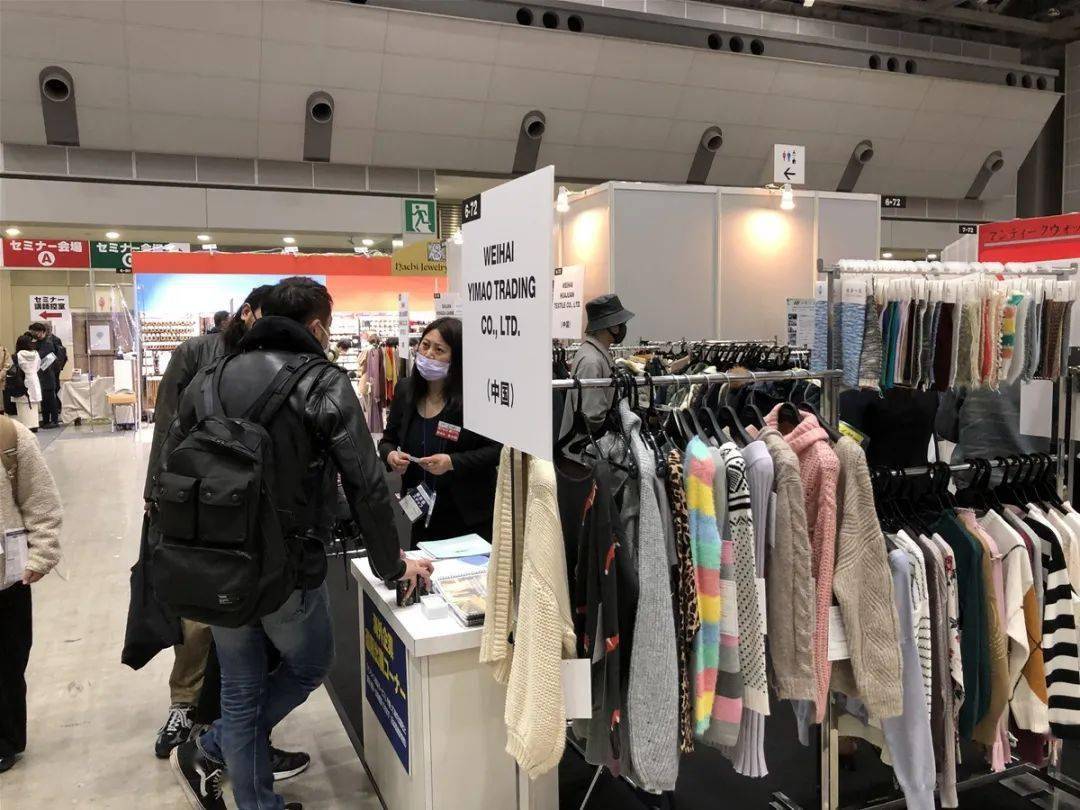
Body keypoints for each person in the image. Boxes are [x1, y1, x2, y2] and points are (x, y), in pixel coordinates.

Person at [167, 276, 431, 810]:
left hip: (214, 560)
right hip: (286, 564)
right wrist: (391, 564)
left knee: (241, 687)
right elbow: (366, 483)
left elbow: (172, 465)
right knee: (311, 663)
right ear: (316, 326)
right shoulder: (322, 381)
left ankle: (233, 768)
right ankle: (218, 745)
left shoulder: (210, 379)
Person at [139, 286, 282, 761]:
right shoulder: (195, 352)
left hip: (257, 508)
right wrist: (156, 491)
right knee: (198, 613)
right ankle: (185, 706)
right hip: (199, 503)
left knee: (255, 620)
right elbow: (167, 425)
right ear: (247, 313)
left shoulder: (278, 361)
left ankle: (245, 732)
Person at [380, 317, 501, 547]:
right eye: (425, 345)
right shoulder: (405, 390)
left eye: (439, 350)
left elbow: (497, 450)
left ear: (457, 358)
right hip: (421, 510)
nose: (429, 354)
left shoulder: (474, 396)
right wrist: (391, 455)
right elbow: (387, 440)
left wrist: (452, 462)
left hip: (467, 514)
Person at [0, 414, 64, 773]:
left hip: (6, 579)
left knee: (7, 663)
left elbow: (41, 501)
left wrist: (42, 553)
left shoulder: (9, 436)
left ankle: (4, 738)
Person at [558, 293, 635, 440]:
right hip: (587, 447)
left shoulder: (595, 354)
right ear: (613, 326)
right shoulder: (592, 361)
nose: (623, 327)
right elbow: (592, 417)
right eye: (621, 323)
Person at [27, 323, 64, 430]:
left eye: (35, 331)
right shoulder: (38, 342)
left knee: (51, 399)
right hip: (40, 376)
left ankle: (54, 420)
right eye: (32, 331)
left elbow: (39, 356)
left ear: (42, 331)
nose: (34, 334)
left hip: (48, 375)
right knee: (43, 400)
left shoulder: (48, 343)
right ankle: (46, 420)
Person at [8, 334, 42, 433]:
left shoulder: (17, 356)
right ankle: (34, 425)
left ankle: (26, 426)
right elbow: (38, 367)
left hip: (21, 381)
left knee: (22, 405)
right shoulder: (36, 354)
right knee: (33, 405)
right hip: (34, 380)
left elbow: (12, 370)